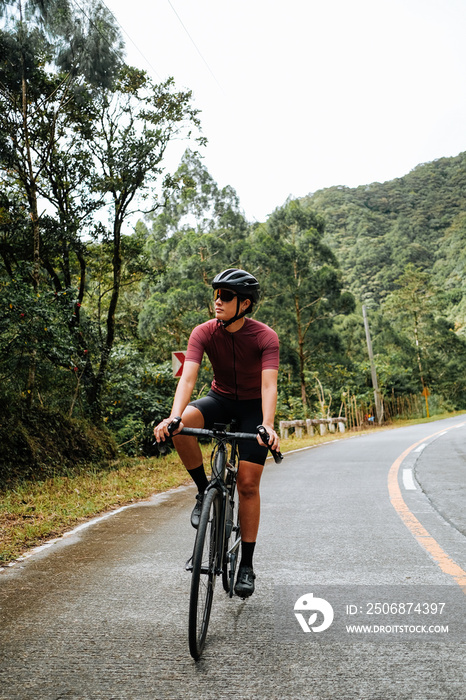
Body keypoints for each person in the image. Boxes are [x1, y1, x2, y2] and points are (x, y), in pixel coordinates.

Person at [154, 268, 280, 598]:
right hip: (219, 399)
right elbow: (188, 378)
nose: (217, 301)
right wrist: (173, 416)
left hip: (253, 408)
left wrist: (267, 424)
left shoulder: (265, 337)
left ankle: (247, 565)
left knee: (248, 484)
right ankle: (202, 491)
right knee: (182, 427)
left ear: (245, 303)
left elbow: (269, 385)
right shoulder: (204, 332)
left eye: (225, 296)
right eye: (215, 295)